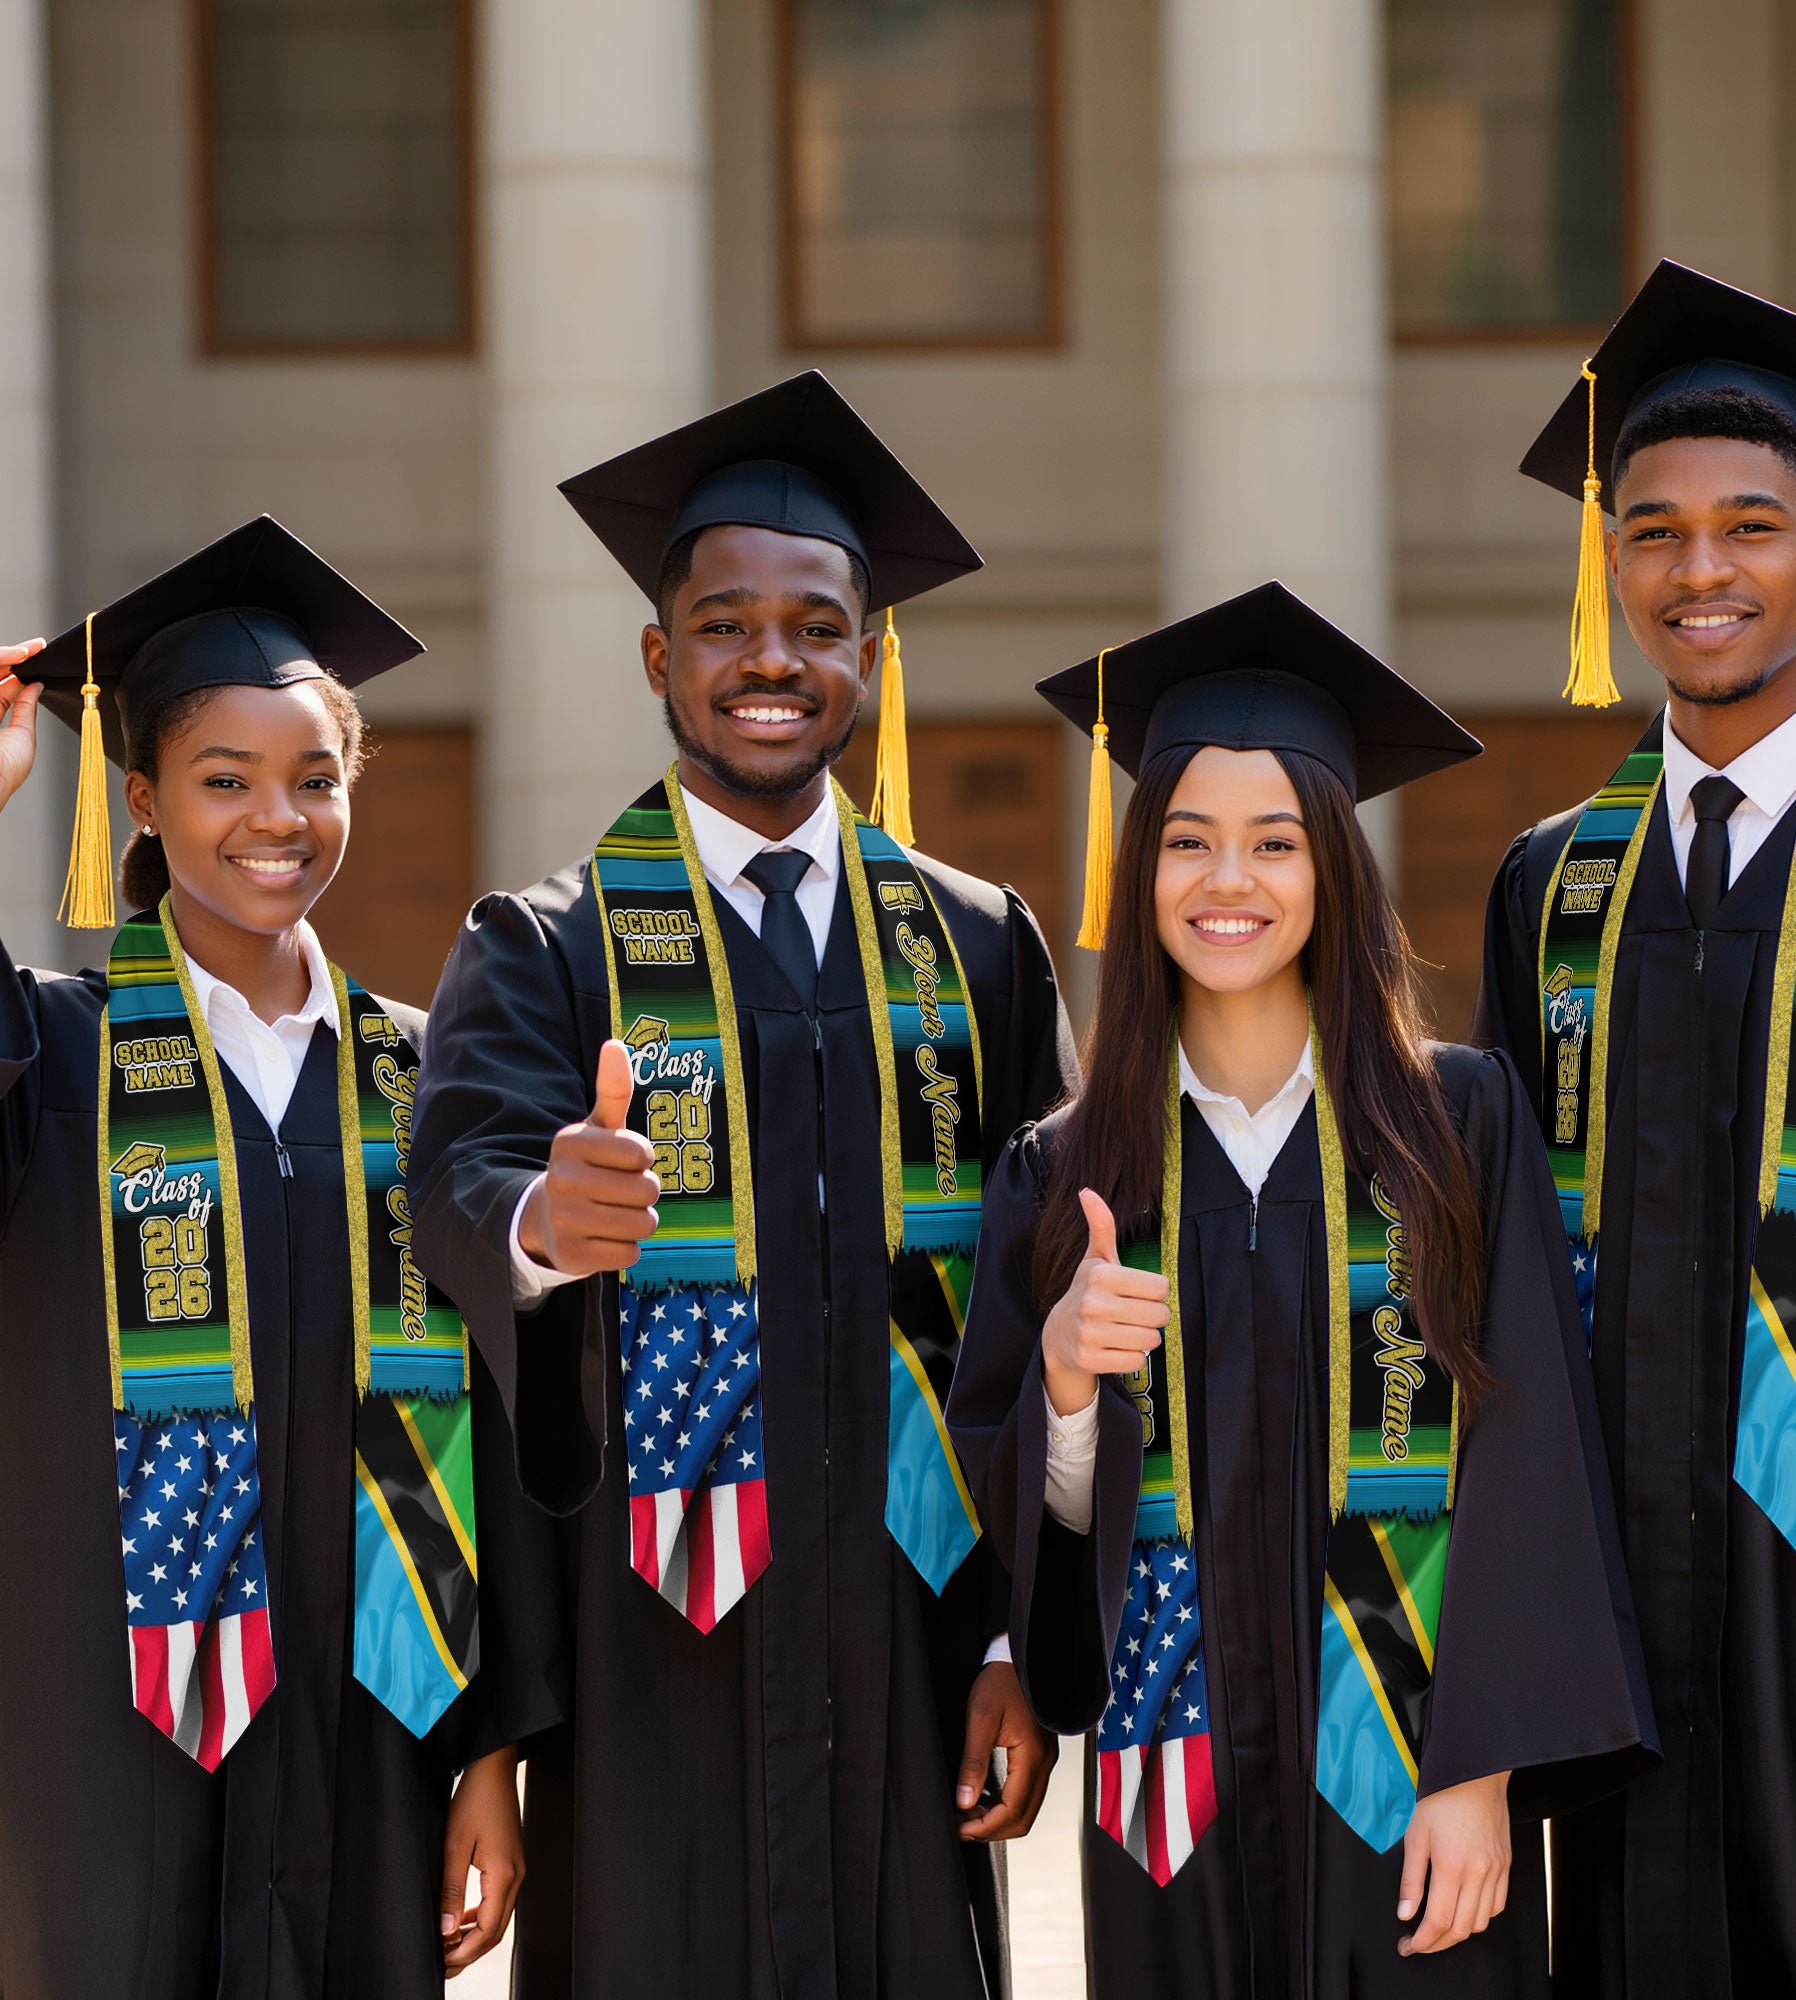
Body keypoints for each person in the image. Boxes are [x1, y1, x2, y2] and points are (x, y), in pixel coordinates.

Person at [407, 371, 1076, 1997]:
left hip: (915, 1633)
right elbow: (457, 1184)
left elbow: (1051, 1293)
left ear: (871, 658)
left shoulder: (976, 947)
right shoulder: (548, 946)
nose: (771, 661)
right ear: (660, 658)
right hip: (650, 1657)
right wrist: (541, 1223)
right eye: (723, 626)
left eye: (816, 626)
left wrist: (1017, 1636)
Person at [948, 581, 1655, 1997]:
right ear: (1139, 870)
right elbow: (1026, 1529)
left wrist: (1480, 1770)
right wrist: (1068, 1387)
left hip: (1409, 1778)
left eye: (1275, 842)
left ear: (1333, 867)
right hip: (1170, 1786)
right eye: (1188, 841)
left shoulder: (1459, 1127)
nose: (1230, 882)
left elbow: (1531, 1452)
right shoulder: (1067, 1169)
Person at [1477, 260, 1796, 2000]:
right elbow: (1503, 1277)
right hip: (1618, 1622)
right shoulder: (1556, 885)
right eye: (1655, 531)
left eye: (1751, 527)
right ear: (1611, 562)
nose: (1700, 570)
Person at [0, 516, 556, 1999]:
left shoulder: (430, 1079)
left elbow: (503, 1427)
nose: (276, 817)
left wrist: (490, 1755)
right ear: (140, 798)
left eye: (315, 778)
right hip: (99, 1732)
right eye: (224, 779)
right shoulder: (49, 1058)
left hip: (372, 1716)